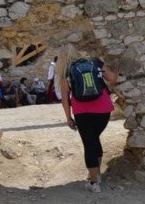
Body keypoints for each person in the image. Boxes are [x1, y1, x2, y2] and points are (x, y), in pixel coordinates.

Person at [57, 44, 120, 193]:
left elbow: (65, 99)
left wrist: (68, 118)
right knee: (94, 140)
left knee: (90, 143)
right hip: (103, 109)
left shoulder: (65, 72)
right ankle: (96, 175)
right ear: (77, 53)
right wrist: (116, 73)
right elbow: (111, 79)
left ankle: (94, 182)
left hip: (82, 112)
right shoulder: (95, 62)